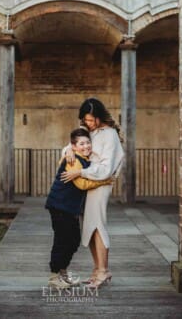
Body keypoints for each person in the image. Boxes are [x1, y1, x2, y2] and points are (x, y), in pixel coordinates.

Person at [61, 98, 124, 288]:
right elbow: (75, 143)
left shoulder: (110, 135)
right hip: (87, 183)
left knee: (98, 224)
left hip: (100, 184)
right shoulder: (90, 131)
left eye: (91, 120)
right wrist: (68, 151)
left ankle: (104, 271)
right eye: (85, 120)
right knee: (88, 226)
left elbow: (106, 169)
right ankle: (97, 269)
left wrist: (80, 171)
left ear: (99, 116)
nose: (88, 124)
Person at [45, 127, 112, 289]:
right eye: (81, 143)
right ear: (74, 146)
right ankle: (54, 277)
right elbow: (82, 184)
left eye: (88, 142)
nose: (86, 146)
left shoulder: (83, 159)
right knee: (62, 241)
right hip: (60, 206)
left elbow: (85, 174)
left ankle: (62, 272)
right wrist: (104, 180)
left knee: (73, 240)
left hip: (69, 208)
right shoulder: (73, 160)